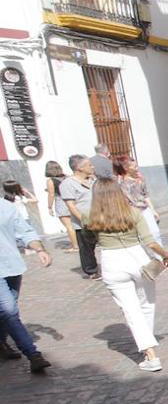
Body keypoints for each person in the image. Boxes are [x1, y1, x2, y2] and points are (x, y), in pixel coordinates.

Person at [85, 179, 168, 373]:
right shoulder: (133, 213)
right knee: (147, 305)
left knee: (131, 310)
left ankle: (149, 353)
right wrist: (165, 255)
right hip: (138, 258)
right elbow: (149, 242)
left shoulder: (90, 216)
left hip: (111, 261)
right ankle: (149, 350)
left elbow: (89, 238)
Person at [0, 192, 53, 372]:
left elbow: (25, 231)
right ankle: (33, 354)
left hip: (12, 266)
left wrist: (39, 249)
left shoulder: (5, 207)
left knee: (7, 312)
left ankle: (1, 343)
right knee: (9, 311)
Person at [58, 154, 99, 278]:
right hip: (83, 222)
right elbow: (71, 206)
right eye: (89, 165)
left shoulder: (93, 180)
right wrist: (84, 220)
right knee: (86, 248)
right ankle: (91, 271)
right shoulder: (67, 184)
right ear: (79, 168)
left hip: (99, 218)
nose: (92, 167)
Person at [116, 156, 162, 243]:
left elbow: (145, 195)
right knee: (141, 236)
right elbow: (128, 201)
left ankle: (159, 255)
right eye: (134, 167)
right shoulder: (123, 183)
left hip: (145, 209)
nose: (137, 168)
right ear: (126, 168)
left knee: (155, 232)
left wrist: (152, 210)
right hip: (134, 212)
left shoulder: (140, 179)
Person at [44, 161, 79, 252]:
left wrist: (49, 207)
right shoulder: (68, 177)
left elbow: (51, 195)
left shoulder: (51, 181)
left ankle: (75, 246)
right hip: (73, 201)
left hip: (61, 202)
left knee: (69, 226)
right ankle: (81, 243)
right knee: (77, 224)